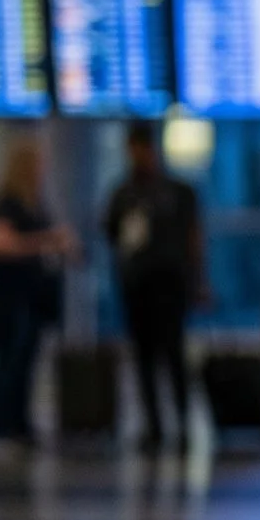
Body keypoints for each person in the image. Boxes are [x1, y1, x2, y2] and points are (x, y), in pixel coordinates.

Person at [104, 123, 204, 451]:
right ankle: (154, 426)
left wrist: (198, 281)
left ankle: (183, 424)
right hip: (137, 286)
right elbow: (112, 236)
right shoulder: (124, 194)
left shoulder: (177, 192)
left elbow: (194, 238)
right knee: (144, 358)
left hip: (170, 285)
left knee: (174, 356)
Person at [0, 138, 72, 446]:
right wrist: (46, 240)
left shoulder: (34, 204)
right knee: (8, 361)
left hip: (32, 296)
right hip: (9, 297)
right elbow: (2, 245)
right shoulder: (6, 203)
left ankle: (19, 422)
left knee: (25, 362)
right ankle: (3, 425)